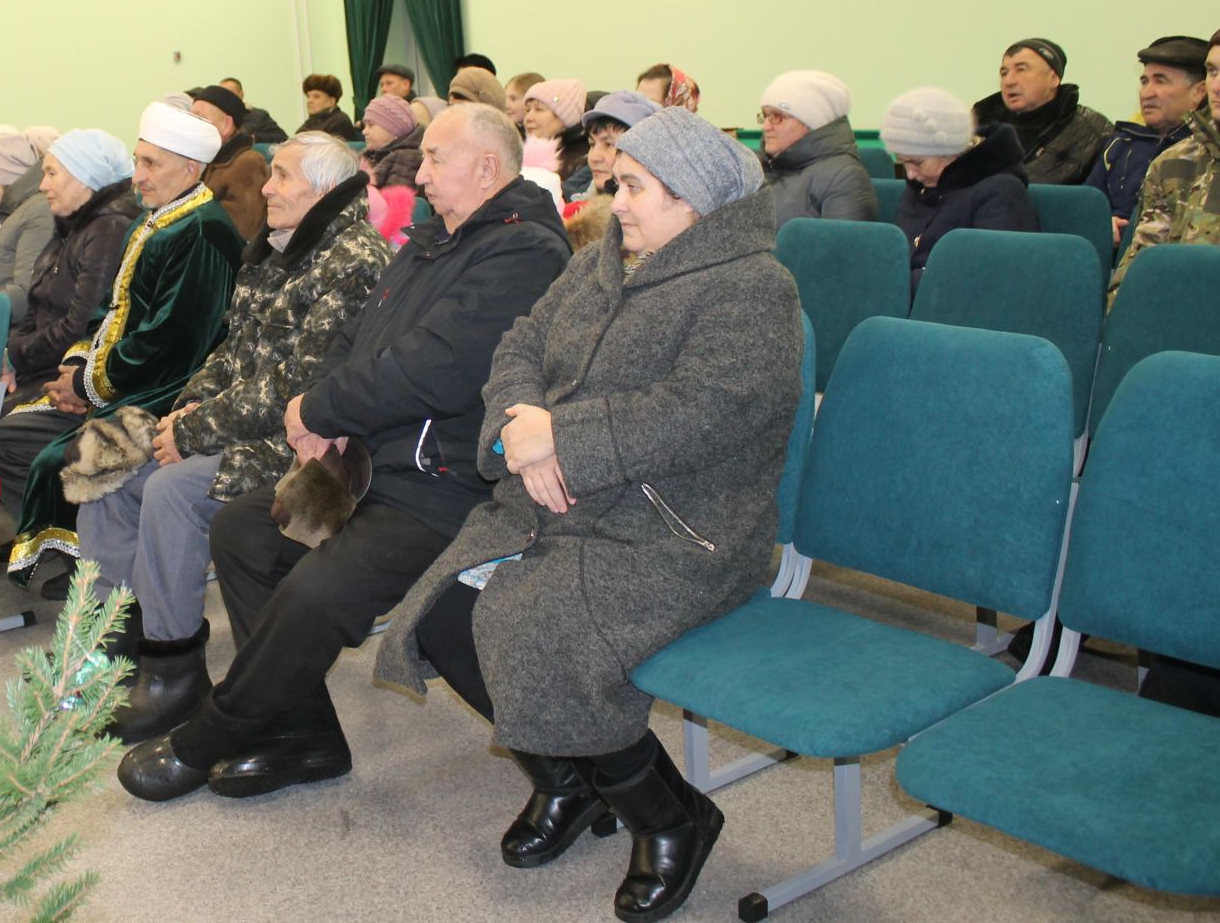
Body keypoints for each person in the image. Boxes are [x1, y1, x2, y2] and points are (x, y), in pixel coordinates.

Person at [378, 107, 801, 921]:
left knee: (543, 633)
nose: (617, 200)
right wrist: (521, 427)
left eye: (635, 187)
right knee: (439, 619)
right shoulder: (606, 256)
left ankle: (672, 816)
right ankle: (568, 780)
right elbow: (520, 346)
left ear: (694, 201)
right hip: (559, 496)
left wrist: (557, 437)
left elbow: (707, 410)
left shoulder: (753, 286)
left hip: (678, 527)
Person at [117, 104, 570, 804]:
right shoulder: (434, 242)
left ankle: (212, 733)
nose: (418, 177)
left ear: (487, 166)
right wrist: (319, 412)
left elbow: (436, 367)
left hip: (446, 486)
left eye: (435, 161)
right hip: (370, 466)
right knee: (244, 531)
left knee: (316, 590)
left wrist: (321, 409)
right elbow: (357, 336)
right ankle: (304, 735)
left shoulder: (524, 252)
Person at [78, 134, 393, 742]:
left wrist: (192, 431)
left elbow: (299, 385)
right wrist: (184, 409)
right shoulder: (281, 246)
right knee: (102, 461)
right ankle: (118, 641)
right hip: (237, 423)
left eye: (282, 176)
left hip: (310, 446)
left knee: (170, 490)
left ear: (325, 189)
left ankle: (174, 669)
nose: (265, 188)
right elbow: (231, 351)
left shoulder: (353, 260)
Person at [0, 102, 244, 596]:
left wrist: (88, 385)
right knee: (11, 431)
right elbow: (107, 312)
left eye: (151, 164)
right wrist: (76, 367)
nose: (137, 176)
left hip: (168, 392)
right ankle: (84, 554)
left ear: (190, 168)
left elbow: (172, 344)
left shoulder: (202, 231)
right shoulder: (154, 221)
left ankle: (98, 568)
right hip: (123, 381)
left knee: (56, 457)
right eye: (137, 160)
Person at [6, 131, 139, 403]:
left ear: (84, 177)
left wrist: (15, 356)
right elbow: (36, 305)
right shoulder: (72, 224)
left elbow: (80, 325)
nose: (42, 185)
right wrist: (11, 353)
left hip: (65, 373)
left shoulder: (108, 229)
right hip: (37, 366)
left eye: (52, 173)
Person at [882, 87, 1039, 292]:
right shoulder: (920, 186)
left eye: (917, 162)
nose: (910, 174)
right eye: (903, 162)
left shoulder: (1001, 192)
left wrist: (890, 284)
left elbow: (986, 280)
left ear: (951, 151)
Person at [1108, 29, 1220, 304]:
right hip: (1177, 323)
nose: (1216, 85)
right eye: (1213, 71)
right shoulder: (1173, 163)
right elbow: (1137, 272)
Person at [1087, 36, 1210, 239]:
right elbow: (1087, 206)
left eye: (1160, 81)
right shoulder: (1121, 144)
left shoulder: (1206, 150)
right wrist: (1103, 223)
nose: (1146, 93)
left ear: (1199, 92)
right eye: (1144, 81)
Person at [972, 38, 1111, 185]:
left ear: (1054, 79)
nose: (1009, 81)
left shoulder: (1092, 131)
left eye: (1021, 70)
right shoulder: (976, 125)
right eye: (1004, 73)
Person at [756, 70, 878, 227]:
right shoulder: (757, 166)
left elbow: (841, 248)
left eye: (776, 117)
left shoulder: (845, 178)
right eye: (765, 116)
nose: (766, 127)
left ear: (812, 123)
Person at [0, 132, 55, 322]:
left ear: (5, 179)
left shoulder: (39, 212)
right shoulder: (13, 212)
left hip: (12, 333)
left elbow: (26, 292)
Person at [565, 90, 660, 250]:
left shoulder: (644, 230)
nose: (594, 157)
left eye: (609, 144)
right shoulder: (575, 206)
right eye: (592, 144)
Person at [188, 85, 270, 242]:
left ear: (226, 124)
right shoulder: (205, 161)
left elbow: (240, 233)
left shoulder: (247, 163)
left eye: (199, 118)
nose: (192, 125)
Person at [522, 78, 591, 199]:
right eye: (527, 110)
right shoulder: (522, 150)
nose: (528, 118)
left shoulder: (583, 158)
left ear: (565, 117)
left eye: (539, 109)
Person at [219, 76, 287, 144]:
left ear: (241, 95)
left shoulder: (258, 116)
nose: (226, 98)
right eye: (221, 95)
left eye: (230, 94)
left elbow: (282, 137)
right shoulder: (215, 117)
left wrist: (254, 138)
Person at [297, 73, 361, 142]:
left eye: (316, 97)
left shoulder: (340, 121)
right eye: (308, 96)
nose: (309, 101)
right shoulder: (311, 122)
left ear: (332, 101)